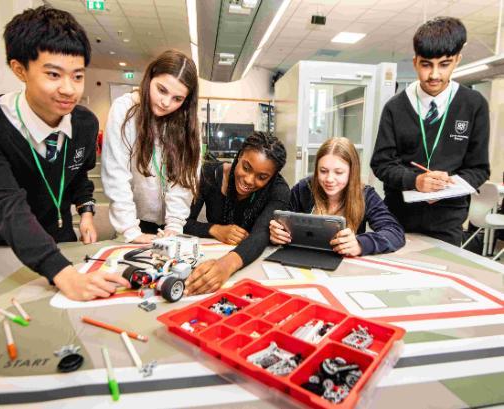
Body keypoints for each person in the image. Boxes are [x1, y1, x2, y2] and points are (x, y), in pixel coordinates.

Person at [0, 6, 130, 301]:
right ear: (19, 70)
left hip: (59, 241)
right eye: (53, 74)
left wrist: (87, 213)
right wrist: (63, 274)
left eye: (77, 76)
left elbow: (78, 175)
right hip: (1, 246)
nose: (68, 89)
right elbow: (6, 203)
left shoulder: (84, 123)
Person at [370, 17, 490, 246]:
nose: (434, 74)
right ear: (415, 62)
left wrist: (447, 186)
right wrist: (415, 181)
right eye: (426, 64)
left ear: (457, 60)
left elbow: (479, 169)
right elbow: (381, 164)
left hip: (448, 223)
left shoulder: (474, 105)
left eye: (444, 64)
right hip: (398, 220)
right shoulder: (395, 107)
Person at [101, 50, 200, 244]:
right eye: (161, 90)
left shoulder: (188, 121)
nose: (166, 103)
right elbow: (116, 174)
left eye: (177, 99)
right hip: (134, 221)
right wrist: (131, 231)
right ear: (150, 76)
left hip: (172, 226)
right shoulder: (125, 110)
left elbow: (184, 179)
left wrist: (174, 225)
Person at [184, 132, 290, 295]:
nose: (249, 180)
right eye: (246, 168)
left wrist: (225, 266)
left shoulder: (279, 191)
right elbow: (184, 222)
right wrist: (214, 229)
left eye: (262, 177)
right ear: (239, 156)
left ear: (273, 176)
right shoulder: (208, 174)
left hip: (252, 266)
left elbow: (261, 233)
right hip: (206, 256)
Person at [270, 137, 405, 256]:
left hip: (345, 265)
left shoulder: (365, 195)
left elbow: (394, 233)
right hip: (301, 257)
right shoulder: (304, 189)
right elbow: (280, 220)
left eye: (339, 172)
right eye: (323, 171)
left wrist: (360, 244)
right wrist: (276, 232)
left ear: (352, 172)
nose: (329, 179)